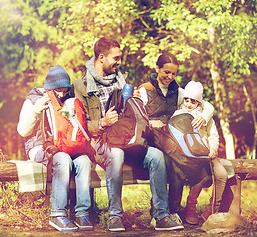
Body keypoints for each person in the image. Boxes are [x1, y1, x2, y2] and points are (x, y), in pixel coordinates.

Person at [73, 37, 184, 232]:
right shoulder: (81, 86)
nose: (119, 62)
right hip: (100, 142)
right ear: (101, 58)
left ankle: (161, 216)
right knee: (116, 154)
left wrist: (138, 102)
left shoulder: (122, 80)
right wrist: (101, 122)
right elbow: (79, 125)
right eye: (116, 58)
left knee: (156, 156)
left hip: (127, 138)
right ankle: (115, 217)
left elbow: (131, 114)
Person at [138, 53, 215, 223]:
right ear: (157, 68)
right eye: (166, 72)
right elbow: (135, 116)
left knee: (179, 165)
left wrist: (206, 114)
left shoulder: (178, 92)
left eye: (174, 73)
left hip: (172, 141)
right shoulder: (145, 90)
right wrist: (151, 123)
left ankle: (173, 209)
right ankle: (160, 211)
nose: (170, 77)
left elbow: (205, 103)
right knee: (169, 163)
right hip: (151, 141)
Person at [17, 65, 93, 232]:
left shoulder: (67, 100)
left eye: (65, 90)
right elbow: (23, 131)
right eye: (59, 90)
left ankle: (82, 212)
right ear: (50, 88)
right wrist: (36, 111)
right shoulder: (34, 99)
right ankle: (57, 214)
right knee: (62, 159)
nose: (62, 94)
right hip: (38, 147)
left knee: (84, 161)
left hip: (65, 146)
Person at [172, 81, 228, 224]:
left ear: (199, 102)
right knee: (201, 175)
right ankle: (191, 206)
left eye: (193, 101)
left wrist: (213, 149)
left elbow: (213, 135)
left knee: (222, 174)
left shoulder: (205, 116)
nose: (189, 104)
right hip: (189, 155)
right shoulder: (179, 113)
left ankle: (212, 209)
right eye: (187, 100)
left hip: (206, 152)